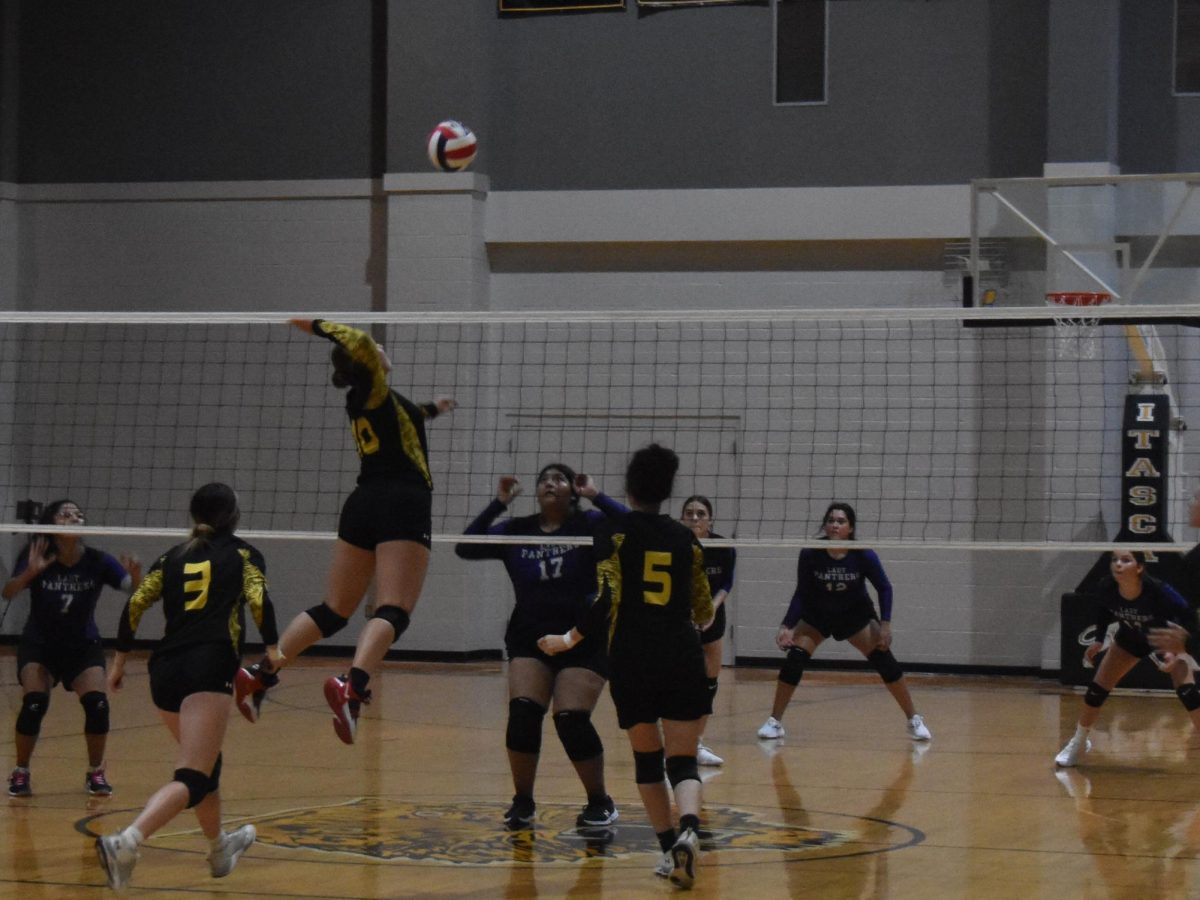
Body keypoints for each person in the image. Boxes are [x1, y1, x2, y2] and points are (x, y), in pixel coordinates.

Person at [236, 319, 455, 744]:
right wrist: (310, 323)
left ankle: (259, 675)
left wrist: (434, 409)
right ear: (367, 360)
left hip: (364, 500)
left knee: (334, 610)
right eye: (374, 347)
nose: (379, 347)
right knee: (394, 609)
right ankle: (351, 686)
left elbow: (409, 417)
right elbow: (353, 339)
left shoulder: (375, 399)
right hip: (402, 499)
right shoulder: (372, 387)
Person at [539, 443, 714, 890]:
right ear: (668, 491)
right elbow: (704, 611)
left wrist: (567, 640)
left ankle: (667, 847)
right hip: (681, 652)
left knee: (647, 760)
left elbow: (606, 599)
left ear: (629, 487)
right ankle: (690, 831)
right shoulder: (685, 538)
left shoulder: (612, 532)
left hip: (633, 655)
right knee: (683, 761)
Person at [95, 483, 278, 890]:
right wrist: (275, 650)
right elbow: (259, 599)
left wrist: (120, 662)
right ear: (234, 515)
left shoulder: (173, 556)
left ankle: (218, 849)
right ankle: (127, 841)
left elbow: (136, 602)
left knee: (206, 766)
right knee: (193, 776)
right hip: (208, 664)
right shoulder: (244, 554)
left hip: (165, 670)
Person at [455, 464, 625, 830]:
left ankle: (600, 801)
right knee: (522, 714)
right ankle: (523, 801)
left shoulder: (590, 523)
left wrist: (596, 494)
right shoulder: (518, 530)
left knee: (570, 719)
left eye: (560, 478)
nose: (551, 483)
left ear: (573, 491)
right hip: (529, 636)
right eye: (544, 479)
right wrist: (499, 502)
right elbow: (465, 546)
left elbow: (633, 525)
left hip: (583, 636)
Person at [757, 502, 931, 743]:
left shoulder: (862, 554)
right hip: (817, 614)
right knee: (794, 660)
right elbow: (802, 592)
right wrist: (786, 625)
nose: (834, 525)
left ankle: (914, 718)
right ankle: (775, 721)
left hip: (854, 615)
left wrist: (885, 625)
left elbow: (884, 587)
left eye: (840, 521)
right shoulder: (811, 553)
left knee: (885, 661)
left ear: (850, 528)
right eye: (831, 520)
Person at [4, 499, 142, 798]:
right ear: (52, 524)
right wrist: (31, 572)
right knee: (34, 704)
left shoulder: (97, 560)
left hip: (82, 646)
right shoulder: (36, 555)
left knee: (97, 705)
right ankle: (20, 772)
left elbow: (133, 589)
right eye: (66, 514)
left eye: (79, 514)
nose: (75, 518)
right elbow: (9, 592)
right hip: (40, 645)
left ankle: (95, 773)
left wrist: (136, 574)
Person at [1057, 549, 1200, 767]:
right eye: (1115, 560)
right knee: (1096, 690)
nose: (1118, 564)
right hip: (1130, 638)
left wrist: (1178, 648)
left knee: (1188, 693)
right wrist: (1098, 640)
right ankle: (1078, 742)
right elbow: (1104, 610)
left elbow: (1189, 615)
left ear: (1139, 567)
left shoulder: (1158, 590)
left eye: (1126, 560)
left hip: (1162, 637)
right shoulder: (1106, 587)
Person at [680, 495, 736, 768]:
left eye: (700, 513)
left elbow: (727, 581)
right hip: (679, 619)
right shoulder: (674, 543)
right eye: (689, 513)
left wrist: (711, 609)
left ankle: (697, 743)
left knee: (709, 682)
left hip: (713, 615)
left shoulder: (722, 545)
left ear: (709, 519)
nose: (694, 518)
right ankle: (674, 746)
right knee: (679, 683)